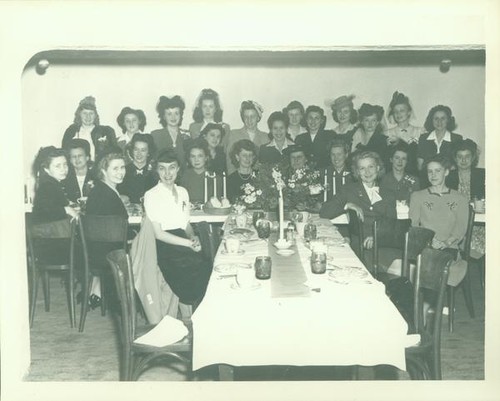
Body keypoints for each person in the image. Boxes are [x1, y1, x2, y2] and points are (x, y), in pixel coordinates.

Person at [144, 148, 212, 306]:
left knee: (208, 264)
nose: (167, 173)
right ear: (156, 170)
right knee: (194, 268)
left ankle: (200, 312)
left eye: (172, 167)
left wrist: (193, 238)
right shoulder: (152, 195)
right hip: (165, 246)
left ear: (178, 169)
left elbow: (186, 224)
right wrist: (188, 244)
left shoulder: (183, 192)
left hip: (183, 239)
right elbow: (158, 234)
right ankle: (194, 308)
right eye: (162, 168)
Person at [319, 151, 398, 261]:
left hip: (383, 244)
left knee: (398, 264)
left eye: (371, 166)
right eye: (362, 168)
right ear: (357, 172)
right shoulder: (348, 190)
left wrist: (376, 237)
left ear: (378, 168)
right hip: (359, 246)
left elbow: (391, 223)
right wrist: (347, 205)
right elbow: (324, 212)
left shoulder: (388, 193)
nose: (367, 172)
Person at [409, 154, 469, 284]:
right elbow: (413, 225)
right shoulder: (418, 196)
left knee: (437, 264)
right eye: (430, 171)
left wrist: (446, 242)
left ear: (446, 172)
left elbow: (460, 228)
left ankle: (431, 303)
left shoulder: (460, 198)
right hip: (425, 247)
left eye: (438, 171)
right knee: (428, 260)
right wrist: (430, 241)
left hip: (449, 248)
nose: (433, 175)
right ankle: (430, 303)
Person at [85, 151, 129, 308]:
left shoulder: (98, 191)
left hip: (94, 254)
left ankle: (96, 291)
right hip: (113, 256)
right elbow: (123, 228)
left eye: (122, 167)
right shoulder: (109, 195)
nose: (120, 172)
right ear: (103, 170)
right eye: (115, 168)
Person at [446, 139, 485, 258]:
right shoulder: (448, 176)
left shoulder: (482, 174)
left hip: (478, 224)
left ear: (473, 158)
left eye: (467, 156)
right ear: (455, 158)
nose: (463, 160)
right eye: (460, 156)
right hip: (455, 223)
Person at [32, 146, 79, 224]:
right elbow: (44, 212)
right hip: (51, 234)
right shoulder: (48, 186)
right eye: (58, 166)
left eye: (65, 164)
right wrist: (66, 209)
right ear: (46, 169)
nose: (63, 169)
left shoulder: (53, 184)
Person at [61, 96, 116, 161]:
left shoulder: (106, 131)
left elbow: (114, 154)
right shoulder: (71, 131)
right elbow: (65, 153)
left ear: (95, 115)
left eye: (91, 113)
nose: (88, 117)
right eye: (85, 113)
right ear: (79, 115)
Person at [224, 100, 268, 174]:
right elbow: (229, 161)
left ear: (258, 117)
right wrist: (233, 178)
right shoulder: (233, 135)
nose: (249, 120)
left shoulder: (265, 137)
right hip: (238, 178)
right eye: (246, 117)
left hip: (259, 180)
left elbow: (266, 164)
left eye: (252, 116)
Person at [385, 91, 423, 175]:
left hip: (415, 173)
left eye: (402, 110)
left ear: (409, 112)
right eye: (395, 111)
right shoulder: (387, 133)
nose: (398, 114)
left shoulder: (420, 132)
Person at [417, 105, 463, 171]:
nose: (439, 122)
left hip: (450, 177)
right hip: (428, 177)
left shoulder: (456, 139)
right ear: (431, 120)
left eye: (443, 118)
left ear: (448, 120)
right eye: (436, 118)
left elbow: (457, 165)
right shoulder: (423, 139)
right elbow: (420, 165)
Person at [151, 95, 192, 168]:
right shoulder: (155, 135)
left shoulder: (187, 134)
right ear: (163, 116)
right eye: (169, 114)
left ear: (180, 115)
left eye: (176, 113)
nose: (173, 117)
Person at [117, 133, 157, 204]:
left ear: (149, 152)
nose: (139, 154)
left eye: (143, 150)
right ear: (132, 151)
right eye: (136, 149)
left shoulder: (155, 173)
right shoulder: (122, 171)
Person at [179, 139, 221, 204]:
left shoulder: (215, 178)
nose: (196, 160)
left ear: (206, 158)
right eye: (193, 156)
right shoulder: (184, 176)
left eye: (200, 156)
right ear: (189, 159)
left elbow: (217, 202)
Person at [295, 105, 334, 169]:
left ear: (321, 120)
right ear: (306, 120)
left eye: (316, 118)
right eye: (310, 118)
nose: (313, 121)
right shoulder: (300, 139)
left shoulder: (329, 136)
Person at [350, 103, 389, 168]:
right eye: (366, 120)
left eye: (373, 120)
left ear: (377, 122)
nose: (370, 124)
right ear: (362, 121)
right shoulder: (357, 136)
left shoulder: (383, 139)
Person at [62, 139, 95, 203]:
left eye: (80, 156)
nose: (77, 159)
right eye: (74, 156)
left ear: (87, 157)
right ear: (70, 160)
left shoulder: (97, 175)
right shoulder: (64, 177)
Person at [227, 139, 258, 204]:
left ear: (253, 157)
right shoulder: (230, 180)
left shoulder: (260, 176)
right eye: (244, 155)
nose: (247, 158)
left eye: (250, 155)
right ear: (237, 157)